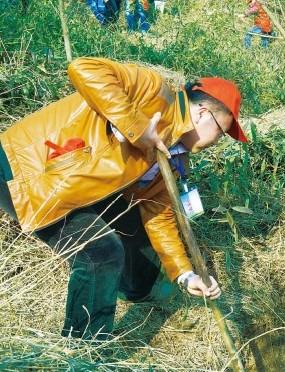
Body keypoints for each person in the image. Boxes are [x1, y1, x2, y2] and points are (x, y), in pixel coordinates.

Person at [0, 57, 249, 340]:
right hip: (26, 171)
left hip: (79, 187)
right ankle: (84, 348)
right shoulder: (153, 91)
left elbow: (160, 215)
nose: (218, 141)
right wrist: (135, 125)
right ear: (203, 113)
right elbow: (83, 68)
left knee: (135, 224)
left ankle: (134, 289)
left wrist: (185, 274)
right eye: (221, 131)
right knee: (101, 254)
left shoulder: (176, 155)